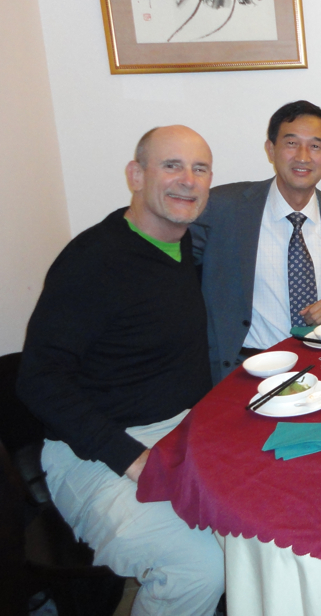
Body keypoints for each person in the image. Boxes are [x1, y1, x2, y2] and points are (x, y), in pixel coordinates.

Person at [17, 126, 224, 615]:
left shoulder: (182, 245)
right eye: (171, 166)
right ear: (136, 175)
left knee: (267, 521)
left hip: (176, 433)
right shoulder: (93, 261)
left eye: (199, 169)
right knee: (199, 567)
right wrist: (133, 460)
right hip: (96, 454)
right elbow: (38, 379)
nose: (187, 181)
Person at [191, 101, 321, 383]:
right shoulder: (223, 208)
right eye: (291, 143)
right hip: (244, 366)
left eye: (315, 146)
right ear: (270, 149)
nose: (302, 157)